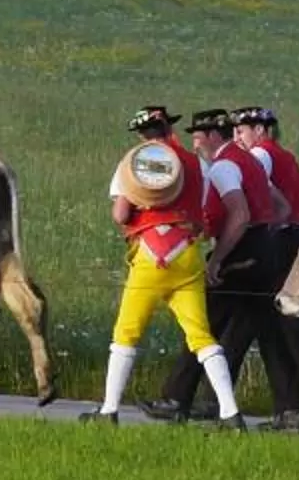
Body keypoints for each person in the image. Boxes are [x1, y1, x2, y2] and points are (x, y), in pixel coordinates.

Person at [84, 106, 243, 427]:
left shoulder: (134, 162)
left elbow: (121, 214)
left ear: (142, 135)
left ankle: (108, 410)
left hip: (151, 254)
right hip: (187, 254)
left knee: (127, 332)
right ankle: (230, 413)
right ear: (169, 128)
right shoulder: (196, 163)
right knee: (201, 335)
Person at [147, 109, 299, 426]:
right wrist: (265, 240)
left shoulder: (224, 166)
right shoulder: (248, 162)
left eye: (197, 137)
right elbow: (281, 206)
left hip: (239, 253)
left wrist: (218, 258)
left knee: (202, 324)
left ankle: (176, 399)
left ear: (211, 136)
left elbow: (240, 214)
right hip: (264, 251)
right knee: (270, 333)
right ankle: (292, 411)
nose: (195, 144)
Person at [239, 106, 299, 430]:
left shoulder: (260, 155)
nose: (238, 137)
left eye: (242, 130)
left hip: (278, 242)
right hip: (294, 240)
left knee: (277, 330)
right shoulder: (286, 156)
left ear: (260, 130)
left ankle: (293, 408)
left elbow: (255, 195)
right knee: (293, 330)